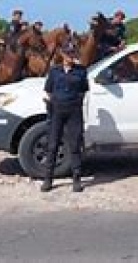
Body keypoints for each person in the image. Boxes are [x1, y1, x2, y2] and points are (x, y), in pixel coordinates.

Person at [40, 43, 90, 193]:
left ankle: (76, 179)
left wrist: (74, 102)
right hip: (57, 111)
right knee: (53, 145)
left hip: (74, 111)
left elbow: (84, 90)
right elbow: (48, 90)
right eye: (67, 54)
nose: (70, 57)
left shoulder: (81, 71)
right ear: (62, 54)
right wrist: (56, 103)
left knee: (75, 145)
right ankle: (48, 179)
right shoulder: (55, 71)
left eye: (72, 54)